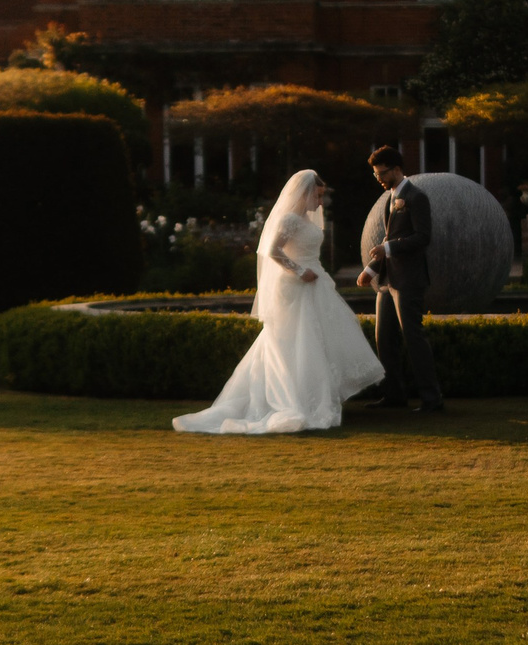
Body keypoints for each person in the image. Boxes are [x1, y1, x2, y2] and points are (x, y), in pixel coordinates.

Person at [171, 170, 383, 434]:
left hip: (315, 283)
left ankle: (317, 397)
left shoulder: (306, 220)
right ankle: (296, 400)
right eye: (317, 196)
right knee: (296, 343)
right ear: (304, 194)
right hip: (296, 286)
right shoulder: (289, 220)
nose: (320, 202)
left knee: (319, 341)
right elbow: (272, 250)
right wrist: (298, 270)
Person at [356, 146, 445, 412]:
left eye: (383, 173)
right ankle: (394, 395)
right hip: (387, 280)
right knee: (384, 339)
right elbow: (387, 238)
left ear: (397, 169)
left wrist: (389, 249)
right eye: (375, 174)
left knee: (413, 337)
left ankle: (432, 399)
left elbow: (423, 237)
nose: (379, 178)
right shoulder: (390, 198)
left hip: (409, 279)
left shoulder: (417, 197)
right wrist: (371, 269)